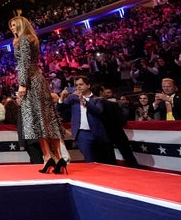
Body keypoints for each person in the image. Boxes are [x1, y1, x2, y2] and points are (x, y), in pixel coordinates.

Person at [10, 16, 65, 174]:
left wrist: (22, 84)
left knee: (37, 119)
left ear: (21, 25)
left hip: (31, 81)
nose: (12, 28)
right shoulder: (29, 39)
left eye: (15, 25)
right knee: (45, 118)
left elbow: (25, 63)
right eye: (11, 26)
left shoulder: (25, 39)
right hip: (36, 79)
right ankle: (56, 157)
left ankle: (49, 157)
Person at [59, 76, 114, 165]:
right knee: (90, 160)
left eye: (81, 84)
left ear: (88, 85)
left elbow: (98, 111)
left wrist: (83, 101)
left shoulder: (97, 99)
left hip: (97, 133)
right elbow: (59, 108)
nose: (78, 87)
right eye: (76, 85)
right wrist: (61, 98)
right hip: (82, 134)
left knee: (102, 160)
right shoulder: (72, 99)